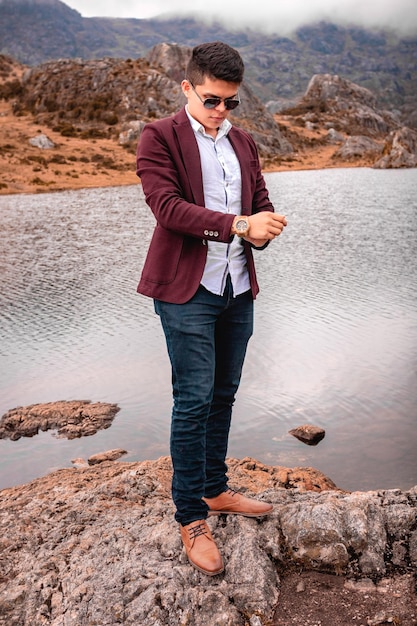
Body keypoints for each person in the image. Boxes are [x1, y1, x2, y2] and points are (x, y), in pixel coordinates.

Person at [136, 41, 287, 576]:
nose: (221, 111)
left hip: (237, 286)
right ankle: (190, 516)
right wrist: (241, 225)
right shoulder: (159, 137)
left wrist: (265, 223)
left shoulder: (243, 142)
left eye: (231, 102)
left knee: (223, 394)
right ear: (186, 88)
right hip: (186, 289)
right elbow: (168, 208)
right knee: (194, 398)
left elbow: (260, 200)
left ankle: (216, 489)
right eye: (211, 100)